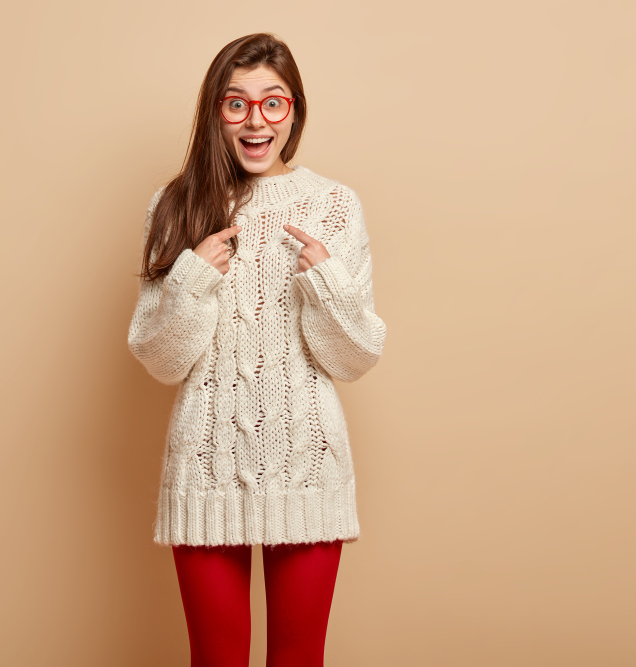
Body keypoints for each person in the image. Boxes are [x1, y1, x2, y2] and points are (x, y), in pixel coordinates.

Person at [126, 32, 387, 667]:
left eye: (273, 103)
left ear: (294, 110)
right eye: (236, 104)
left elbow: (356, 358)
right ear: (214, 111)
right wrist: (192, 277)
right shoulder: (175, 205)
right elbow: (161, 360)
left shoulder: (333, 205)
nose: (255, 121)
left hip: (307, 469)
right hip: (207, 471)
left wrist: (324, 280)